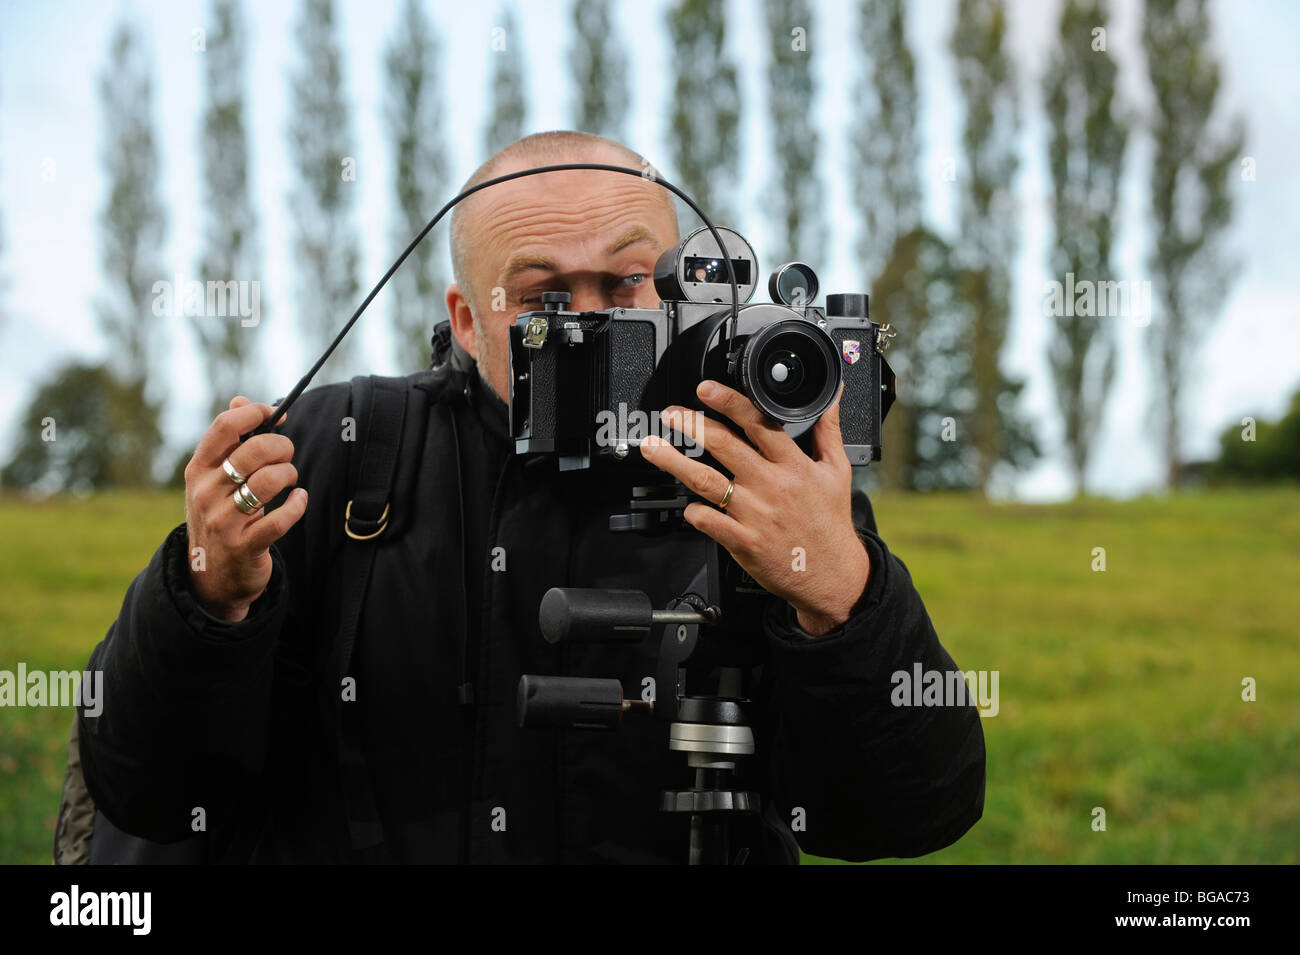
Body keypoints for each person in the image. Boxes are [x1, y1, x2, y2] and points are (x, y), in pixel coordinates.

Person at [77, 130, 985, 864]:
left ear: (692, 285)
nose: (595, 321)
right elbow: (154, 792)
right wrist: (206, 598)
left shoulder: (765, 477)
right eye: (546, 293)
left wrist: (843, 597)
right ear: (468, 321)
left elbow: (909, 817)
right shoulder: (342, 450)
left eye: (630, 282)